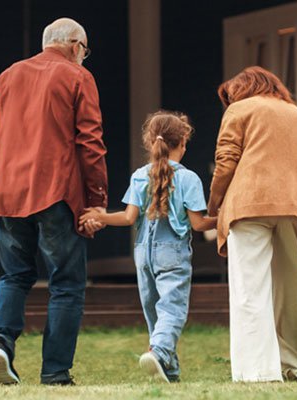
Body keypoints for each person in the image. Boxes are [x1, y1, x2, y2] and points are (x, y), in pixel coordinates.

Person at [0, 17, 107, 386]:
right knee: (66, 284)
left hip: (6, 195)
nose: (84, 58)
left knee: (15, 275)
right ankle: (55, 373)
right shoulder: (78, 77)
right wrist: (96, 201)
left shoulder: (6, 76)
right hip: (56, 193)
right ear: (75, 45)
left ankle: (0, 342)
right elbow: (90, 143)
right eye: (84, 51)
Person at [81, 110, 215, 383]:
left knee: (154, 309)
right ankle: (160, 349)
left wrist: (101, 216)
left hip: (143, 253)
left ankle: (169, 367)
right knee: (173, 309)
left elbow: (129, 218)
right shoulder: (189, 179)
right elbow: (199, 224)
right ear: (183, 143)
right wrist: (225, 220)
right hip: (172, 253)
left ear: (150, 142)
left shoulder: (140, 175)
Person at [209, 66, 297, 383]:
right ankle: (293, 365)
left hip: (250, 204)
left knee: (251, 288)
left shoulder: (240, 109)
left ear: (241, 89)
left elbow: (227, 159)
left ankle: (258, 371)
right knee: (291, 290)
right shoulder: (296, 114)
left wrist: (214, 203)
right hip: (296, 209)